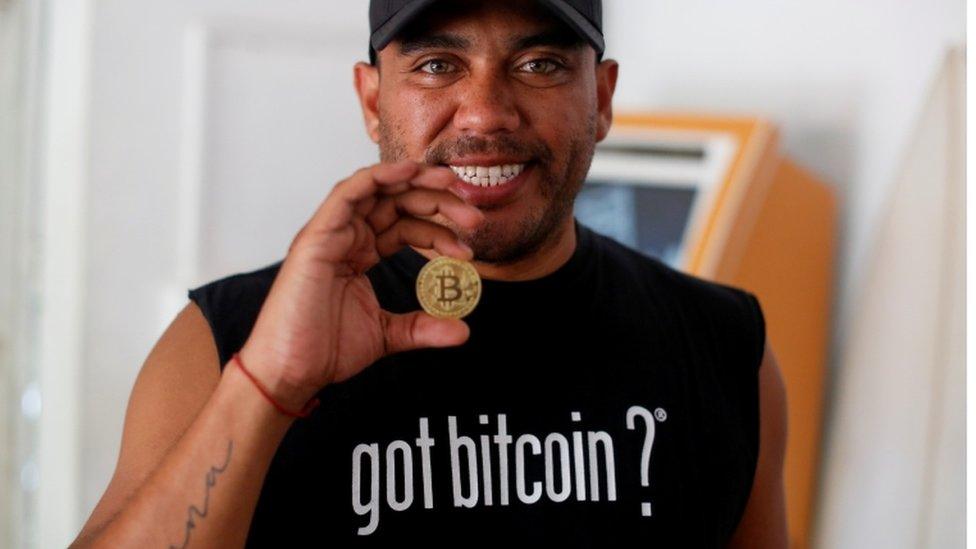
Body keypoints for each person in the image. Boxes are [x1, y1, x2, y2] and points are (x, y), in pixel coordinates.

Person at [71, 0, 789, 546]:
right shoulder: (220, 340)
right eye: (438, 65)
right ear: (372, 99)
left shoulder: (725, 345)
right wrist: (270, 382)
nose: (485, 112)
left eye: (538, 64)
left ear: (600, 99)